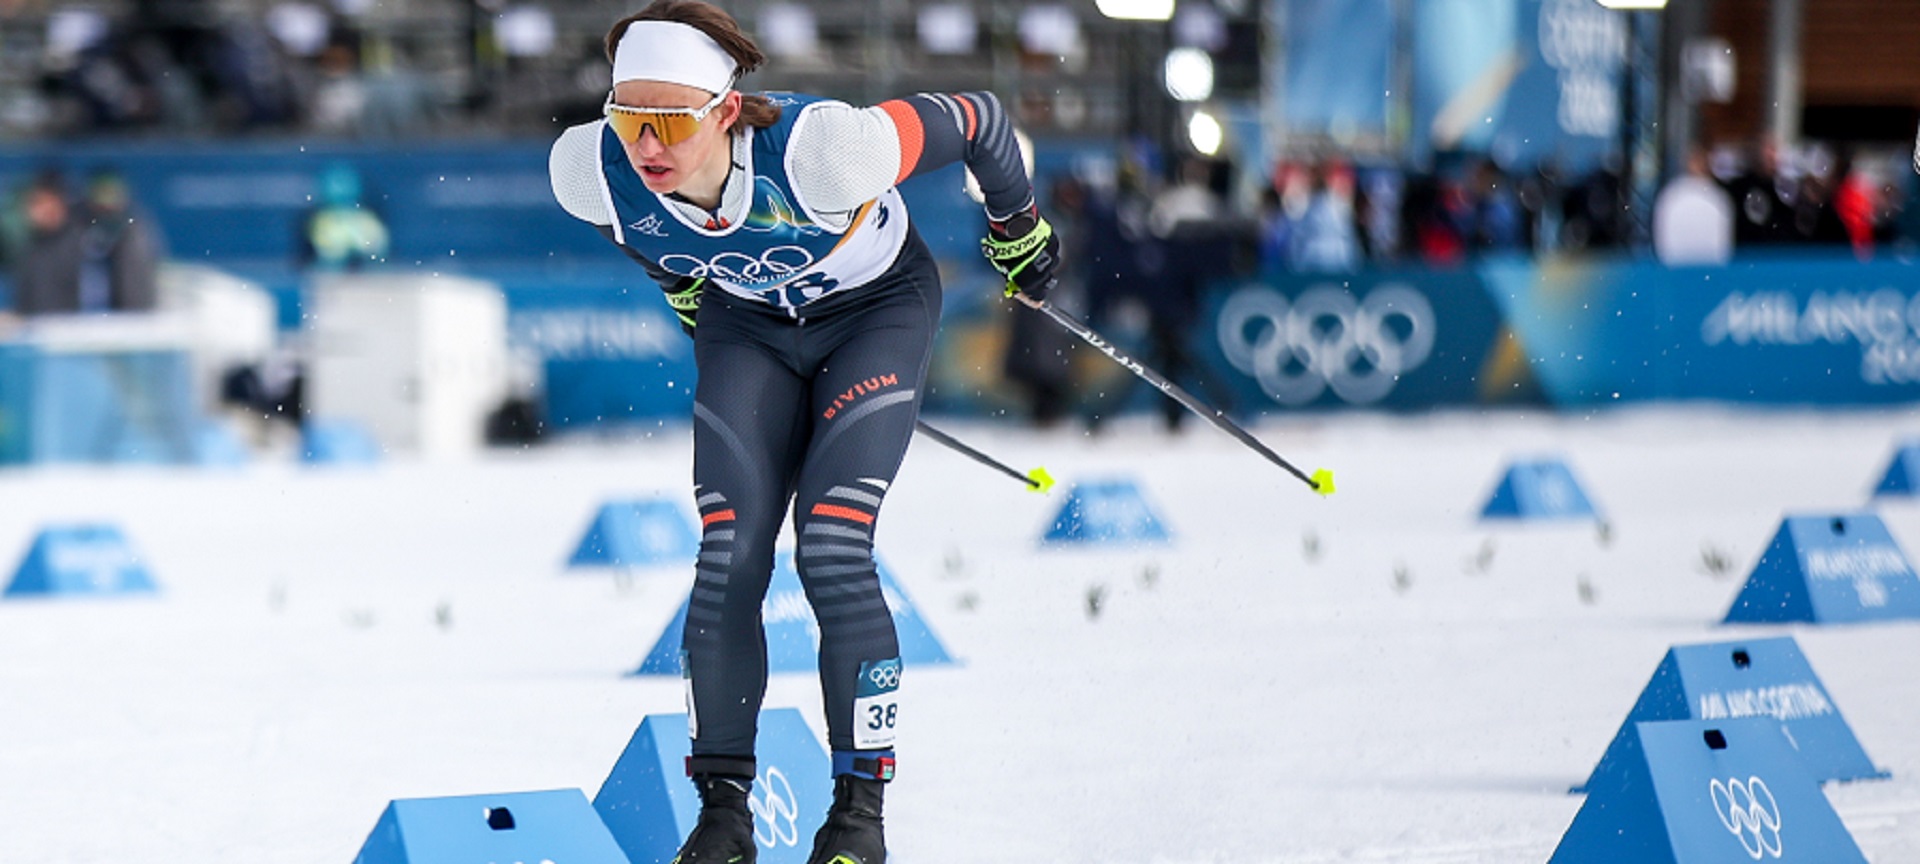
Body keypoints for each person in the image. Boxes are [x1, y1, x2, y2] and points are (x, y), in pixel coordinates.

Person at [545, 3, 1060, 863]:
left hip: (875, 314)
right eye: (629, 119)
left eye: (671, 120)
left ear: (725, 110)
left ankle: (859, 819)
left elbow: (979, 118)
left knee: (831, 544)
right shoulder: (586, 170)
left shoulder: (826, 151)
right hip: (748, 328)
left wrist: (1018, 229)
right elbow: (639, 232)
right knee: (728, 552)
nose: (646, 145)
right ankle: (722, 819)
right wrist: (683, 281)